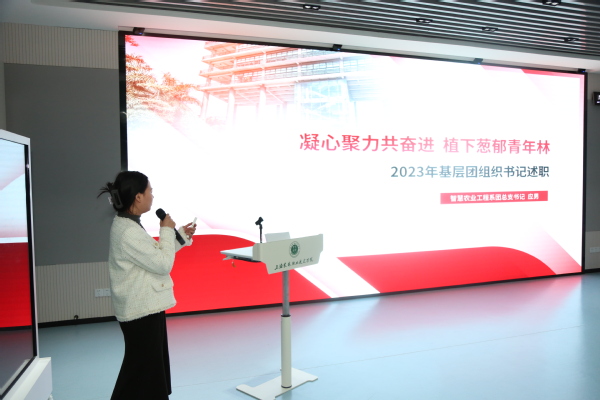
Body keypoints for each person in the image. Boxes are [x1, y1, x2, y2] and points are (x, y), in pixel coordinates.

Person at [98, 171, 196, 400]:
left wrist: (180, 235)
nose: (152, 195)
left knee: (144, 369)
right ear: (138, 197)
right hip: (141, 312)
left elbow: (154, 256)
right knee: (141, 371)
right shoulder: (127, 231)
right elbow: (162, 264)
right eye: (150, 191)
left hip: (145, 308)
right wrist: (166, 230)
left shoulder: (128, 224)